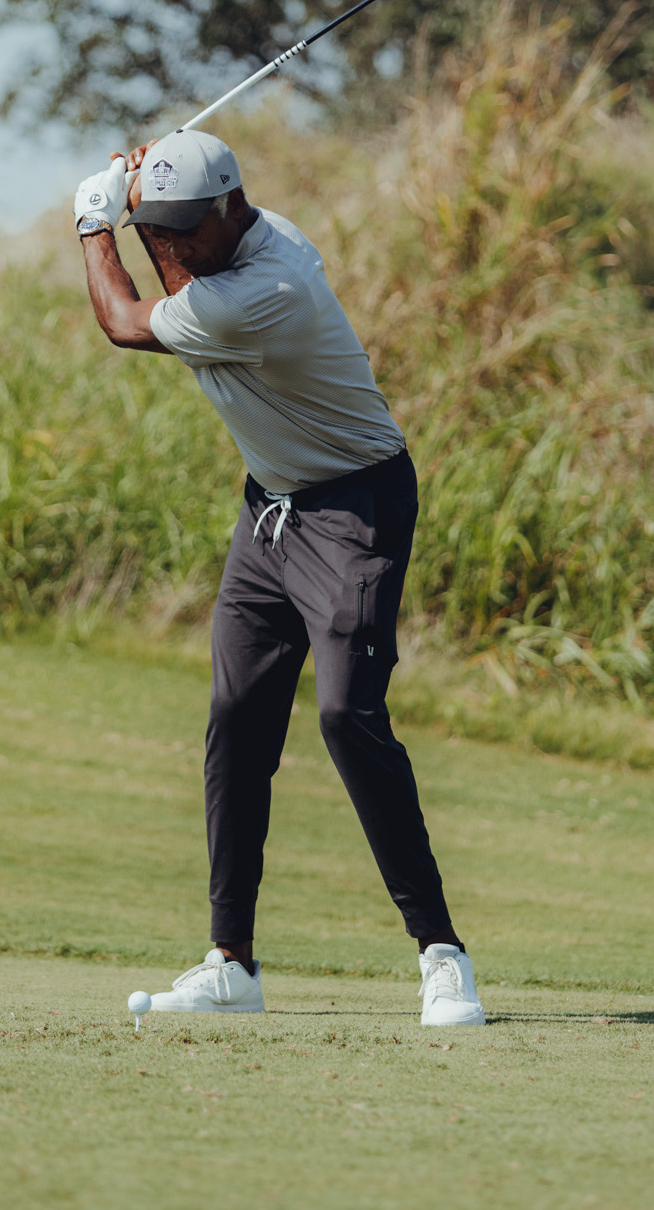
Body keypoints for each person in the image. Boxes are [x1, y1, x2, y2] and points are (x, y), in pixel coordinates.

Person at [73, 128, 485, 1029]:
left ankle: (442, 955)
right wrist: (144, 203)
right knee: (236, 720)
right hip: (271, 512)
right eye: (160, 230)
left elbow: (126, 322)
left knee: (346, 716)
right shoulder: (218, 246)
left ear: (232, 204)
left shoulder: (271, 285)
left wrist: (95, 225)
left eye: (185, 227)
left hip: (356, 508)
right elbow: (181, 274)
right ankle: (232, 964)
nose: (174, 246)